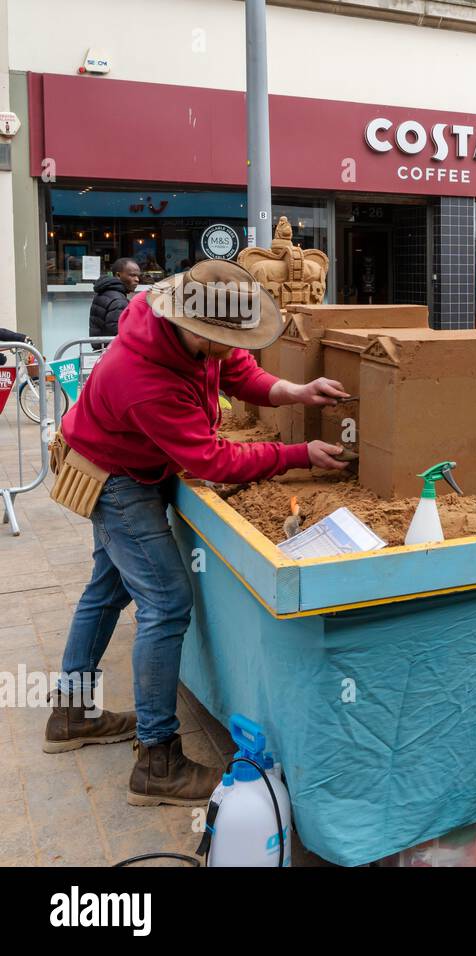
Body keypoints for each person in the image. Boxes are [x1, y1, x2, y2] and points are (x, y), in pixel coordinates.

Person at [47, 259, 350, 806]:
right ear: (188, 325)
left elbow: (240, 372)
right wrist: (297, 453)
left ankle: (71, 713)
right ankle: (157, 760)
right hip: (118, 480)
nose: (224, 349)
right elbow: (212, 459)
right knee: (165, 602)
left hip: (134, 463)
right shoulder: (143, 379)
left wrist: (297, 392)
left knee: (107, 589)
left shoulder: (193, 329)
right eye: (215, 341)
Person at [89, 258, 141, 340]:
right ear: (118, 275)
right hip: (112, 349)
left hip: (103, 348)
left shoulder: (105, 291)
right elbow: (117, 330)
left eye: (138, 276)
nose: (137, 280)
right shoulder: (118, 300)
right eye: (132, 275)